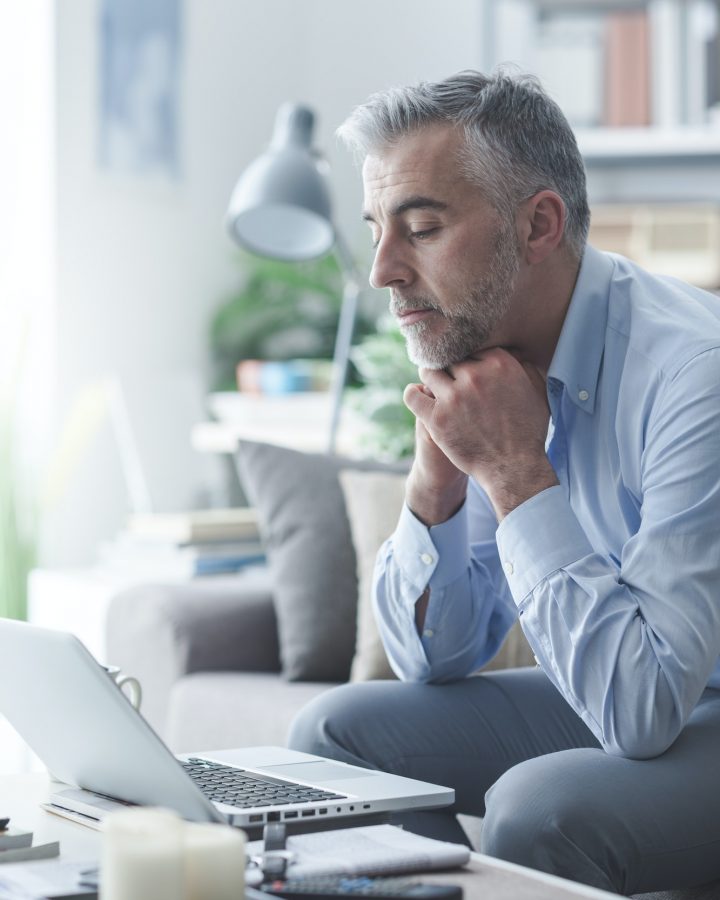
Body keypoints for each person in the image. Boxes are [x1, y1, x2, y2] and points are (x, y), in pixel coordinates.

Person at [288, 70, 720, 895]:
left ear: (539, 226)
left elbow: (643, 708)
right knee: (335, 736)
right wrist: (436, 486)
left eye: (420, 227)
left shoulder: (694, 375)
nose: (381, 270)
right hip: (645, 689)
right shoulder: (491, 365)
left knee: (539, 805)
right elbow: (433, 657)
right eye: (378, 228)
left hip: (680, 693)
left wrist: (518, 476)